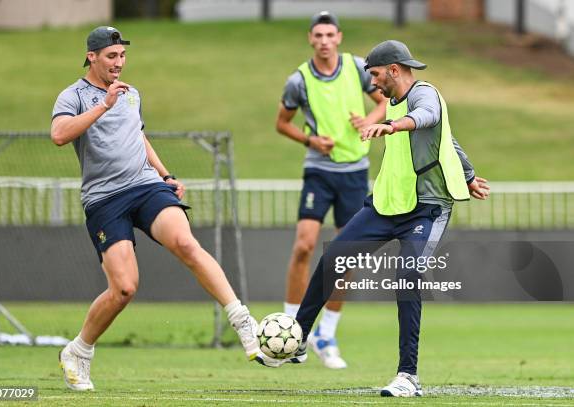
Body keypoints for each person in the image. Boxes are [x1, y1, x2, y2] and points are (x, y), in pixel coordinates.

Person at [257, 40, 490, 397]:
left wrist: (395, 127)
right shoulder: (393, 103)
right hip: (387, 204)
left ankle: (408, 376)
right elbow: (447, 139)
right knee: (334, 257)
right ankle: (299, 337)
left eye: (377, 74)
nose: (374, 83)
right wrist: (471, 174)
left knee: (408, 276)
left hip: (427, 207)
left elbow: (429, 118)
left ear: (394, 70)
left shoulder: (423, 95)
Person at [51, 26, 258, 391]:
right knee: (125, 289)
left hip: (145, 186)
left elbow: (138, 136)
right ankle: (79, 351)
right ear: (91, 57)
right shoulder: (74, 95)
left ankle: (242, 320)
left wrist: (166, 174)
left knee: (185, 242)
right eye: (111, 56)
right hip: (104, 199)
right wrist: (103, 105)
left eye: (123, 55)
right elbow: (59, 135)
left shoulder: (132, 95)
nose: (119, 63)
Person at [277, 11, 387, 369]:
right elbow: (282, 123)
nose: (324, 41)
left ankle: (327, 332)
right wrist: (310, 140)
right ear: (310, 39)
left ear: (339, 37)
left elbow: (384, 102)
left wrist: (369, 122)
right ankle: (293, 332)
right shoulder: (299, 80)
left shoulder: (358, 68)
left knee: (346, 255)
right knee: (304, 245)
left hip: (355, 172)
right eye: (318, 35)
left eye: (330, 35)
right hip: (318, 172)